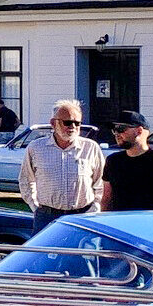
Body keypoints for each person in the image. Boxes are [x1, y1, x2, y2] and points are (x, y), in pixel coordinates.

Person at [20, 99, 105, 231]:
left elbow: (101, 183)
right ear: (53, 123)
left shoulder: (91, 148)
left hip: (83, 216)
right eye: (68, 122)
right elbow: (26, 180)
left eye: (77, 123)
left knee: (83, 252)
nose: (73, 127)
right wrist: (35, 207)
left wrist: (95, 208)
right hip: (46, 217)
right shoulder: (36, 148)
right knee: (43, 252)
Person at [103, 111, 153, 212]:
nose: (117, 134)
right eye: (114, 130)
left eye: (121, 129)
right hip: (119, 223)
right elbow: (106, 198)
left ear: (139, 131)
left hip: (150, 223)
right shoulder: (113, 161)